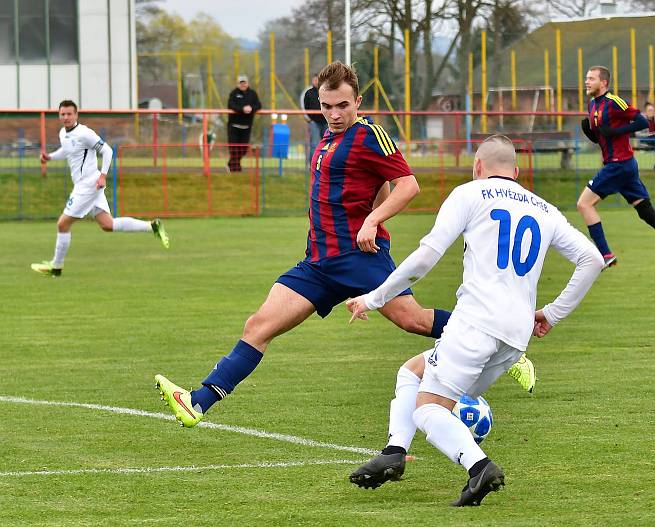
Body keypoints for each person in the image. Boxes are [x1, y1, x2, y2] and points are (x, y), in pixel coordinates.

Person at [154, 62, 533, 429]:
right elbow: (377, 184)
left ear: (358, 103)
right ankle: (197, 402)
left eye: (342, 106)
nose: (334, 114)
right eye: (326, 106)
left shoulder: (369, 135)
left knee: (413, 320)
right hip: (317, 264)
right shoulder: (328, 136)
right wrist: (372, 209)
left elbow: (407, 185)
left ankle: (502, 344)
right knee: (258, 325)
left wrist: (373, 220)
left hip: (359, 259)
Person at [346, 135, 604, 506]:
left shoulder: (470, 193)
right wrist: (551, 313)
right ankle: (394, 452)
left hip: (476, 323)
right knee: (412, 373)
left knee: (430, 410)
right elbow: (592, 259)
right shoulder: (545, 210)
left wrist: (374, 298)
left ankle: (479, 467)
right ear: (515, 172)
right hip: (515, 338)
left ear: (477, 167)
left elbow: (426, 256)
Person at [578, 66, 655, 281]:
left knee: (584, 204)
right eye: (586, 78)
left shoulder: (614, 102)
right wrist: (591, 134)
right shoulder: (592, 104)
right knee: (647, 213)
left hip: (619, 164)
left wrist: (617, 131)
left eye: (591, 78)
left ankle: (606, 254)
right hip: (620, 166)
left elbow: (641, 121)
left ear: (603, 82)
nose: (586, 82)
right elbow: (603, 138)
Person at [31, 100, 169, 277]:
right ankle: (153, 226)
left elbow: (108, 151)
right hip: (88, 184)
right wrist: (49, 157)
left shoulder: (85, 133)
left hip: (88, 185)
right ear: (59, 115)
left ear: (76, 115)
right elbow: (66, 150)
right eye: (62, 114)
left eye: (69, 114)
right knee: (107, 224)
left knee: (63, 223)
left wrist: (103, 175)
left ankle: (56, 267)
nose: (65, 117)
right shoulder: (63, 134)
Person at [227, 74, 262, 172]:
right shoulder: (233, 93)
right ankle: (235, 168)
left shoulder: (252, 93)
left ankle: (231, 164)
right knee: (234, 149)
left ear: (247, 83)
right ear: (238, 84)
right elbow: (231, 105)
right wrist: (242, 109)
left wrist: (251, 108)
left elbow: (258, 105)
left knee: (243, 150)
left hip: (246, 126)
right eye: (241, 83)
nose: (243, 84)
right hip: (234, 126)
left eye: (244, 82)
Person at [301, 75, 328, 164]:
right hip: (314, 122)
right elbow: (305, 107)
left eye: (318, 80)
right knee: (314, 144)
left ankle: (325, 163)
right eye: (315, 80)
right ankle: (312, 164)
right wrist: (309, 119)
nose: (316, 81)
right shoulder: (309, 93)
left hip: (326, 122)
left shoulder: (326, 91)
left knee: (327, 144)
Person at [635, 102, 655, 170]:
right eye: (649, 110)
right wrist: (650, 134)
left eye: (652, 110)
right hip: (644, 140)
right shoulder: (641, 119)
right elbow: (637, 134)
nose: (651, 112)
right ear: (646, 111)